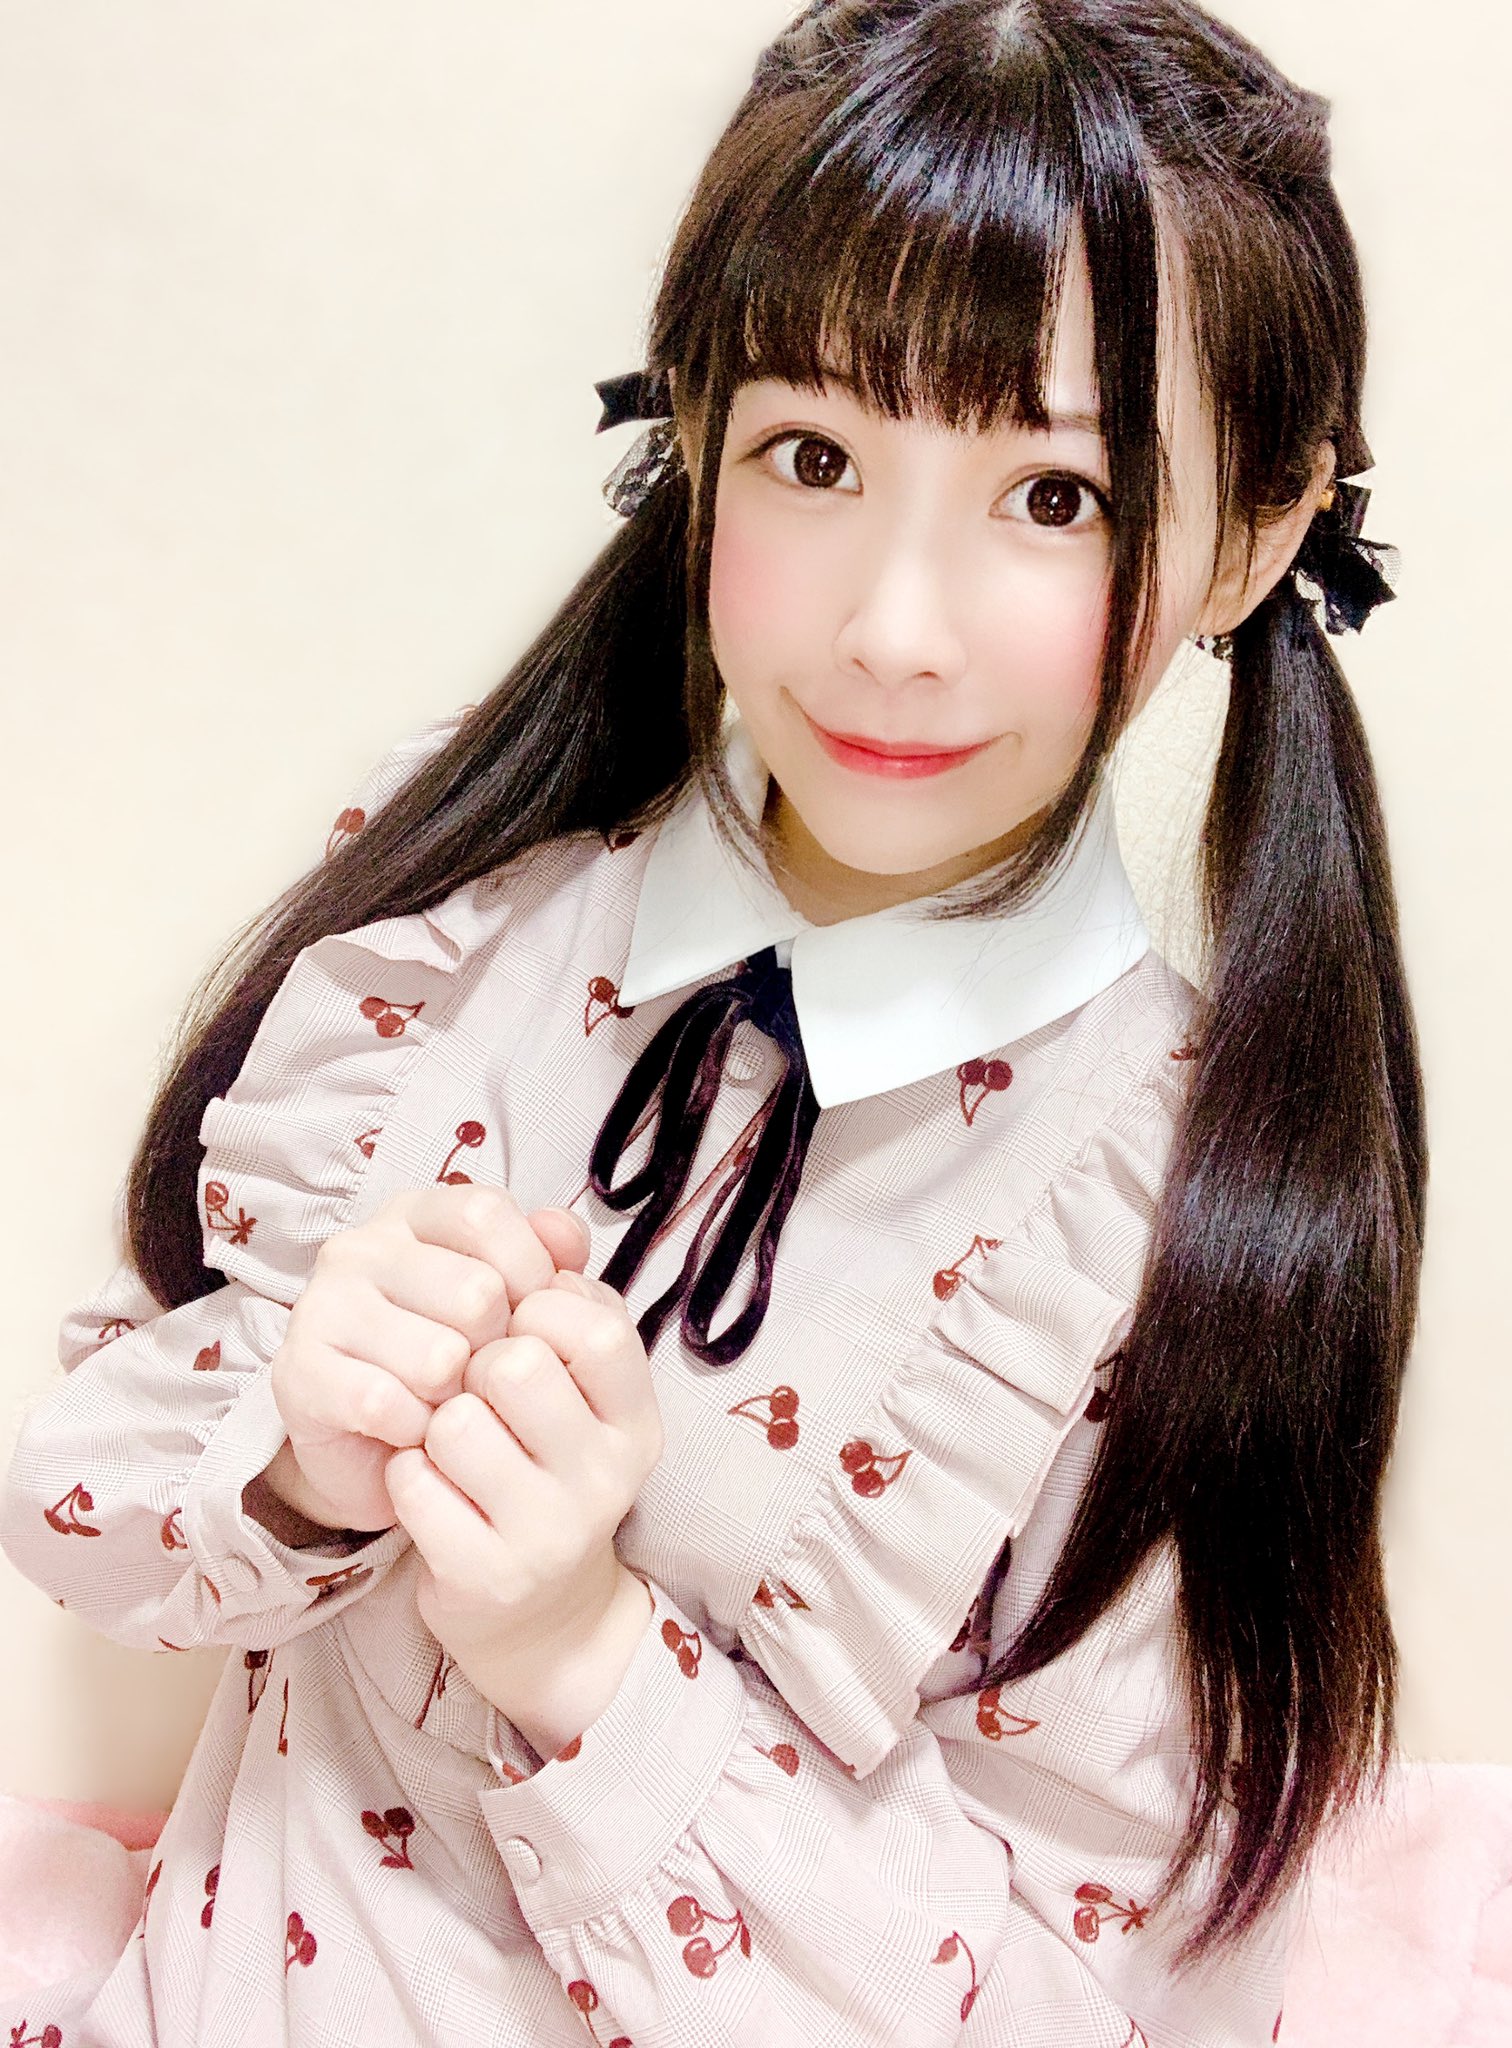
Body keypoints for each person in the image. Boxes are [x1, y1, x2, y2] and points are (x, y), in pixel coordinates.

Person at [0, 0, 1413, 2041]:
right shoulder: (471, 924)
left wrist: (584, 1655)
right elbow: (83, 1504)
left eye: (1056, 496)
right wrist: (297, 1459)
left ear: (1254, 537)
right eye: (814, 457)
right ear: (696, 434)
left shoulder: (1183, 1210)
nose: (893, 629)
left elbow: (1075, 2000)